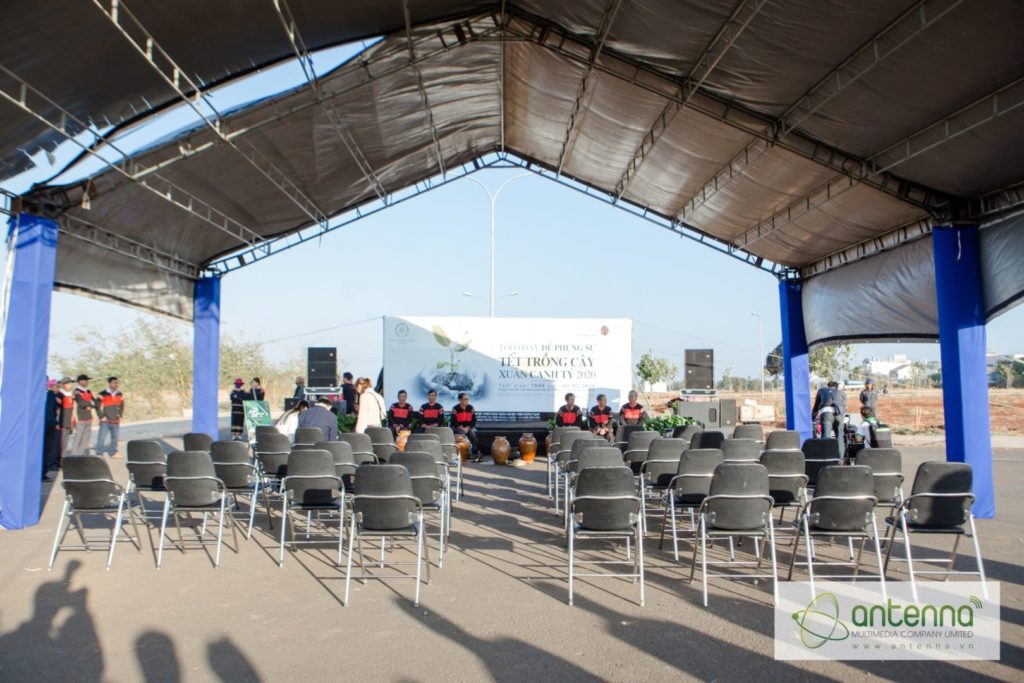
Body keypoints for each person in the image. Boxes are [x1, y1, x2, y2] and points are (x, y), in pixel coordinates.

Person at [96, 377, 125, 458]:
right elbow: (97, 406)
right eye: (114, 382)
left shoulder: (119, 394)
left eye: (117, 383)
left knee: (115, 438)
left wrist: (120, 415)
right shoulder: (102, 394)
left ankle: (113, 453)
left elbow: (122, 405)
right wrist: (101, 416)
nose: (116, 384)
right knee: (101, 437)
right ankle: (99, 453)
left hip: (115, 420)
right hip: (105, 420)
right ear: (109, 384)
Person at [69, 374, 98, 455]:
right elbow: (81, 403)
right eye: (86, 380)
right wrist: (90, 404)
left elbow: (95, 402)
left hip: (88, 417)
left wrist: (90, 405)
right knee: (78, 437)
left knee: (86, 437)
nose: (87, 382)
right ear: (80, 381)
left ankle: (82, 454)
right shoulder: (76, 392)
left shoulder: (88, 391)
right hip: (80, 418)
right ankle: (74, 455)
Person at [450, 392, 479, 460]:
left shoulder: (471, 408)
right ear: (460, 400)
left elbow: (474, 421)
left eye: (467, 399)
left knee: (473, 435)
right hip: (458, 428)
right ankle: (466, 453)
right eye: (465, 399)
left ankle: (475, 452)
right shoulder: (455, 409)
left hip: (468, 428)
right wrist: (461, 428)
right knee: (463, 435)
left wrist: (468, 428)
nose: (467, 401)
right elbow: (453, 422)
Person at [42, 379, 61, 480]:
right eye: (57, 386)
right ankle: (43, 473)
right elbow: (49, 411)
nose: (58, 388)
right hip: (48, 426)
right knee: (47, 450)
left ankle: (42, 472)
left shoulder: (40, 394)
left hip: (42, 425)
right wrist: (54, 423)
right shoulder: (51, 395)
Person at [56, 377, 74, 457]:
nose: (70, 385)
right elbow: (57, 410)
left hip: (68, 422)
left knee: (66, 442)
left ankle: (63, 457)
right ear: (63, 385)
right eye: (68, 384)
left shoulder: (70, 396)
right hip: (61, 422)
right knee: (60, 442)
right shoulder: (59, 395)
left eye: (70, 384)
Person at [830, 380, 847, 453]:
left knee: (827, 436)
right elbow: (844, 406)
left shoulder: (827, 393)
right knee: (840, 436)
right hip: (840, 415)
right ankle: (841, 457)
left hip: (829, 415)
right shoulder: (843, 393)